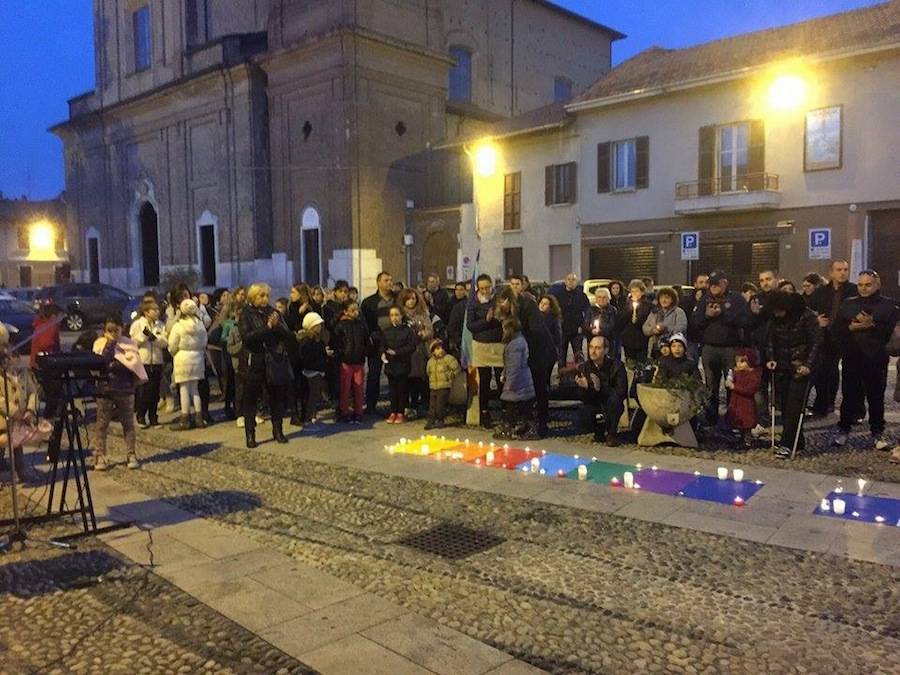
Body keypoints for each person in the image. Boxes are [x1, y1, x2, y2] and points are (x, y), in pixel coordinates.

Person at [832, 271, 900, 451]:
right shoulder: (848, 304)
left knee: (876, 397)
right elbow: (836, 331)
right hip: (852, 357)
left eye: (868, 284)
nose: (863, 288)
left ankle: (877, 431)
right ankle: (843, 428)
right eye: (860, 284)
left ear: (877, 284)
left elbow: (894, 334)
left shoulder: (890, 306)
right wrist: (850, 327)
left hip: (876, 359)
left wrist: (874, 325)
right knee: (849, 395)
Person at [765, 291, 822, 458]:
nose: (777, 314)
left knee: (794, 407)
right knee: (784, 405)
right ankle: (798, 441)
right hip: (782, 366)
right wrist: (771, 358)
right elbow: (770, 340)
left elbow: (816, 342)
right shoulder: (775, 318)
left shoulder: (807, 316)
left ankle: (787, 444)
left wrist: (808, 365)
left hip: (800, 367)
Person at [689, 270, 749, 426]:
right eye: (712, 284)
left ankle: (732, 418)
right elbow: (695, 322)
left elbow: (744, 320)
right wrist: (707, 316)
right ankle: (711, 417)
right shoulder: (705, 299)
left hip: (731, 348)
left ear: (725, 283)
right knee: (711, 385)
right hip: (710, 348)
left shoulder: (736, 299)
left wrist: (723, 314)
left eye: (717, 284)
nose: (714, 287)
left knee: (732, 385)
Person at [239, 283, 295, 447]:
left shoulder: (273, 312)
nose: (265, 299)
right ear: (253, 297)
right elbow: (247, 337)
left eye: (266, 296)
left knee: (276, 397)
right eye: (261, 296)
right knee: (251, 399)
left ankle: (278, 430)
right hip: (254, 361)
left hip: (273, 360)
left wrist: (277, 326)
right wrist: (267, 327)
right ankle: (250, 434)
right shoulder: (246, 313)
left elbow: (287, 335)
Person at [498, 281, 555, 438]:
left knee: (539, 387)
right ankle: (527, 423)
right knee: (528, 389)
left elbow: (536, 331)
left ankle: (541, 425)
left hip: (540, 352)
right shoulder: (514, 311)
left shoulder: (528, 306)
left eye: (503, 303)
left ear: (509, 300)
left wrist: (521, 344)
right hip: (527, 352)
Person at [92, 316, 146, 470]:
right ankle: (100, 455)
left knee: (128, 423)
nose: (114, 333)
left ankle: (131, 454)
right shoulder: (100, 344)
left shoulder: (129, 344)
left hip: (125, 388)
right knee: (102, 423)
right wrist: (110, 344)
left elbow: (133, 364)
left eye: (116, 330)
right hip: (105, 389)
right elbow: (103, 363)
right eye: (110, 330)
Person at [806, 260, 858, 418]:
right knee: (825, 371)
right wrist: (816, 321)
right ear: (831, 272)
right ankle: (824, 404)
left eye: (845, 269)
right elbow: (808, 309)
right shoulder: (821, 291)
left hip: (849, 336)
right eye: (839, 269)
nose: (843, 272)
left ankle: (854, 411)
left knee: (853, 375)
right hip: (827, 336)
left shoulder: (854, 290)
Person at [467, 274, 503, 428]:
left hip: (498, 345)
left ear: (491, 285)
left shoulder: (498, 300)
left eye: (487, 287)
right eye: (482, 288)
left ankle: (505, 411)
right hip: (481, 345)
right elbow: (470, 326)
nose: (485, 290)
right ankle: (484, 413)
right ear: (478, 288)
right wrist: (486, 320)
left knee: (502, 379)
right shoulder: (473, 304)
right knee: (485, 381)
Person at [575, 336, 627, 444]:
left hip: (611, 401)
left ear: (606, 350)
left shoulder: (617, 366)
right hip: (595, 403)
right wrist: (586, 388)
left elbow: (621, 391)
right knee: (587, 412)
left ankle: (612, 434)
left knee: (614, 402)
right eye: (591, 347)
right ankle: (598, 432)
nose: (593, 351)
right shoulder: (585, 367)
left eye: (598, 348)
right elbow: (583, 397)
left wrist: (600, 387)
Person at [167, 299, 209, 431]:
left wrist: (173, 352)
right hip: (197, 358)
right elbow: (204, 342)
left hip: (182, 357)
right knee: (195, 389)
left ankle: (185, 418)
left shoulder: (179, 326)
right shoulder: (200, 325)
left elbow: (172, 344)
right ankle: (199, 417)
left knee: (184, 389)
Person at [493, 317, 535, 440]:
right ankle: (528, 427)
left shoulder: (515, 345)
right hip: (522, 380)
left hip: (517, 382)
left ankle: (509, 428)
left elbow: (514, 366)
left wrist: (509, 383)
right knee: (524, 405)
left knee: (511, 405)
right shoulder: (518, 341)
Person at [362, 272, 396, 416]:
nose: (390, 282)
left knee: (395, 375)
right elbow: (365, 324)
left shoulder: (397, 299)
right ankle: (371, 404)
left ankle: (395, 406)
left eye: (391, 280)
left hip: (395, 342)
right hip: (376, 344)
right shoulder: (369, 302)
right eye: (386, 280)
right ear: (378, 283)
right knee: (374, 374)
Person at [130, 298, 167, 428]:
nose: (157, 312)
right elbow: (134, 342)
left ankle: (153, 417)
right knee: (143, 391)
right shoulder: (137, 324)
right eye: (154, 310)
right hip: (143, 361)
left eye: (158, 310)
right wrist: (144, 336)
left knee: (155, 391)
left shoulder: (160, 325)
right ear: (146, 312)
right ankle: (141, 416)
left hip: (156, 361)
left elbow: (164, 343)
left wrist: (153, 338)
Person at [398, 288, 433, 418]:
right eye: (408, 299)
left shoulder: (422, 313)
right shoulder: (401, 314)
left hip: (419, 351)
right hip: (406, 352)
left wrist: (423, 334)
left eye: (413, 298)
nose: (411, 301)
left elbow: (429, 330)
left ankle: (420, 405)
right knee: (407, 381)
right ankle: (407, 407)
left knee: (420, 380)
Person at [380, 305, 418, 424]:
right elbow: (383, 344)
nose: (394, 318)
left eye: (397, 315)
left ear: (401, 316)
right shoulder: (386, 330)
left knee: (402, 389)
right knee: (392, 389)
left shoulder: (407, 331)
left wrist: (397, 352)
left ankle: (400, 412)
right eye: (392, 315)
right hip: (390, 365)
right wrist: (382, 353)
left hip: (403, 364)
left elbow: (411, 346)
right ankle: (393, 411)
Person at [332, 300, 368, 423]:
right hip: (346, 362)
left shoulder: (361, 324)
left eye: (357, 310)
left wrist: (364, 352)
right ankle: (344, 412)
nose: (356, 313)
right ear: (346, 311)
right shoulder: (341, 325)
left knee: (359, 388)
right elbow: (335, 342)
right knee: (345, 389)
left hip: (358, 361)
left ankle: (359, 412)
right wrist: (341, 353)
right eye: (352, 310)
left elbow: (366, 340)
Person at [550, 273, 590, 368]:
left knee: (578, 355)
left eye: (573, 280)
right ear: (565, 281)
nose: (571, 282)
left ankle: (580, 375)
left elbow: (587, 312)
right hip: (562, 330)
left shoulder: (582, 296)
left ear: (577, 282)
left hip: (576, 330)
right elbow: (554, 311)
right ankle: (562, 375)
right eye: (569, 279)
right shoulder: (558, 295)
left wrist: (583, 326)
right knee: (561, 355)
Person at [298, 312, 330, 426]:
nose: (320, 327)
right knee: (311, 395)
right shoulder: (306, 341)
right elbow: (305, 356)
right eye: (317, 325)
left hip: (319, 370)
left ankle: (313, 416)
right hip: (310, 371)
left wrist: (325, 355)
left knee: (315, 394)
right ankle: (308, 417)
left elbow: (321, 353)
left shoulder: (319, 340)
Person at [725, 349, 762, 448]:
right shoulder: (736, 373)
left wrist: (735, 387)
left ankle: (747, 441)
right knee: (739, 422)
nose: (739, 364)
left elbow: (750, 389)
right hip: (736, 402)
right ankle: (741, 439)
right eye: (737, 361)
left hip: (746, 404)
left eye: (742, 361)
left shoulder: (753, 375)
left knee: (747, 423)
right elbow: (730, 378)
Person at [643, 286, 687, 357]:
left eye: (666, 298)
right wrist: (653, 330)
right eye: (661, 298)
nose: (664, 300)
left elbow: (681, 327)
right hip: (655, 348)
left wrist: (665, 330)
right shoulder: (654, 312)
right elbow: (645, 327)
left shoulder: (678, 312)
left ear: (672, 299)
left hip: (671, 348)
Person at [425, 338, 460, 430]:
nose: (440, 350)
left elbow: (456, 368)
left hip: (444, 386)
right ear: (433, 351)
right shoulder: (431, 362)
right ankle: (431, 420)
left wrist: (450, 375)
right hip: (433, 386)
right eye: (437, 349)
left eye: (441, 348)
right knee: (432, 404)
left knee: (440, 405)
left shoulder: (447, 359)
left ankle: (440, 419)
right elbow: (428, 372)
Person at [618, 279, 654, 363]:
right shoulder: (626, 304)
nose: (635, 294)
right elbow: (621, 320)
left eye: (637, 291)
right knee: (630, 363)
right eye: (632, 291)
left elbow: (647, 321)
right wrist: (629, 311)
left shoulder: (648, 305)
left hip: (642, 339)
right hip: (628, 339)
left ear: (642, 292)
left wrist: (638, 318)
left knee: (641, 364)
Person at [538, 294, 563, 361]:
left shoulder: (554, 319)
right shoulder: (535, 317)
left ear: (551, 306)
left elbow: (558, 338)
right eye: (541, 303)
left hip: (548, 352)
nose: (542, 305)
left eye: (545, 304)